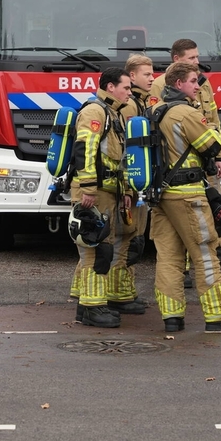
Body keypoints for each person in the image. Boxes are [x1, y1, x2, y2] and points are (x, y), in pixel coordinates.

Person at [149, 62, 221, 333]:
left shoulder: (154, 111)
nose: (198, 86)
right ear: (178, 84)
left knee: (168, 257)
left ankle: (172, 318)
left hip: (161, 196)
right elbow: (211, 144)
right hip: (189, 195)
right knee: (205, 253)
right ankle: (219, 316)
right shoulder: (185, 112)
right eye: (194, 81)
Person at [69, 67, 139, 328]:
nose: (129, 93)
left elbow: (116, 159)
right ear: (111, 87)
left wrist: (126, 193)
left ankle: (86, 306)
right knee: (95, 250)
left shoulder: (114, 113)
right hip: (94, 193)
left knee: (100, 248)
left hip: (108, 191)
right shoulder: (95, 111)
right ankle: (93, 308)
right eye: (126, 88)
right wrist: (88, 186)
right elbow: (84, 148)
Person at [115, 53, 156, 302]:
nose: (152, 78)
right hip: (131, 183)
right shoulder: (131, 105)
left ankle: (124, 290)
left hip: (135, 183)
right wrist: (130, 188)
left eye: (152, 74)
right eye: (147, 74)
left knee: (133, 238)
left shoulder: (140, 102)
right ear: (132, 76)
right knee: (128, 239)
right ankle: (120, 292)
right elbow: (127, 149)